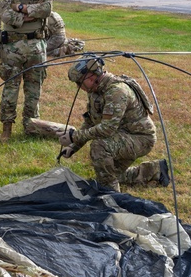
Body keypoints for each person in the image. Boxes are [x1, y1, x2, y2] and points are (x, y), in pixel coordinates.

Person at [58, 56, 170, 192]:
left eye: (80, 83)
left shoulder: (116, 91)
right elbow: (91, 122)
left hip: (139, 137)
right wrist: (73, 146)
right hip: (122, 134)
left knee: (99, 147)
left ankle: (110, 193)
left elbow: (107, 129)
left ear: (91, 77)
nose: (78, 87)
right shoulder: (96, 91)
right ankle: (155, 170)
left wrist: (74, 136)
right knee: (111, 173)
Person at [0, 0, 54, 141]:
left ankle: (31, 125)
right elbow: (3, 13)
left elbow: (47, 8)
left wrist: (21, 8)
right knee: (10, 87)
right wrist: (27, 16)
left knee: (34, 88)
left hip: (37, 45)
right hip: (13, 46)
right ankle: (7, 127)